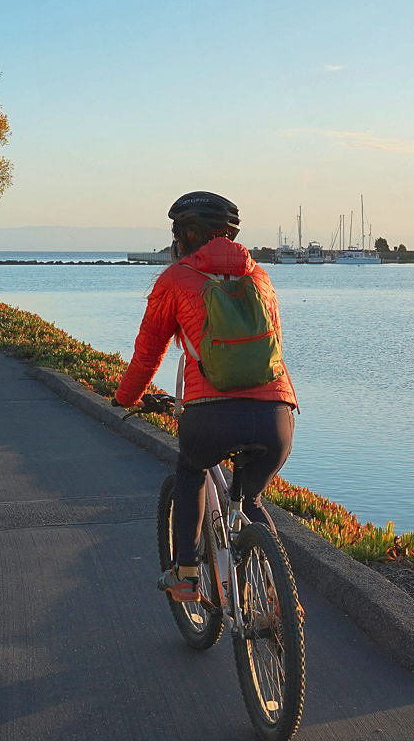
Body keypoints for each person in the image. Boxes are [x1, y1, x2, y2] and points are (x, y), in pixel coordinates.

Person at [113, 191, 297, 604]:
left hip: (211, 415)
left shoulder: (175, 279)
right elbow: (272, 348)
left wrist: (126, 397)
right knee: (250, 499)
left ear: (184, 236)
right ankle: (278, 599)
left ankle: (187, 574)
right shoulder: (260, 278)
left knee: (191, 470)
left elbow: (148, 353)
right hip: (276, 414)